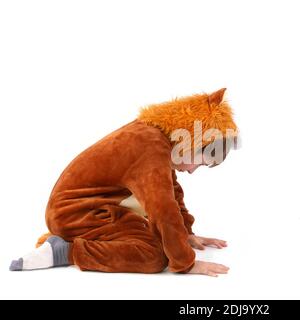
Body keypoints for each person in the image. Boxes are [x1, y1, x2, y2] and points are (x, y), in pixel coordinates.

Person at [10, 88, 239, 277]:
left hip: (94, 209)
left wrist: (186, 233)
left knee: (159, 240)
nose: (192, 171)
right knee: (154, 256)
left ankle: (69, 241)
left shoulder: (157, 139)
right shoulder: (149, 147)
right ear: (193, 140)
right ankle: (65, 251)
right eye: (199, 163)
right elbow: (163, 209)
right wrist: (185, 263)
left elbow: (171, 192)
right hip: (75, 213)